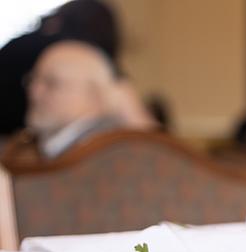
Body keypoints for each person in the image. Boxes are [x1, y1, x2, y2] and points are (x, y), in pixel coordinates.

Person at [0, 0, 120, 136]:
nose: (34, 92)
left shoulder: (27, 44)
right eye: (30, 81)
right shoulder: (65, 52)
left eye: (52, 84)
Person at [22, 41, 154, 159]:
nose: (34, 92)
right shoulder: (26, 147)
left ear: (94, 94)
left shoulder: (111, 152)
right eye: (33, 80)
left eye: (52, 83)